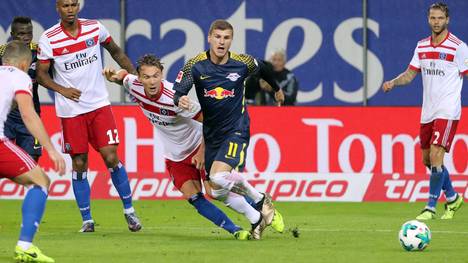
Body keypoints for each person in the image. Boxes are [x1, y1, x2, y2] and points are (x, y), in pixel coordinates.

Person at [103, 54, 252, 240]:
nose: (151, 81)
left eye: (156, 76)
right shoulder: (134, 85)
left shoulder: (175, 97)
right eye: (147, 77)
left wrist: (201, 151)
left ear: (162, 75)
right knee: (194, 198)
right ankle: (236, 230)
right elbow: (124, 77)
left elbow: (211, 122)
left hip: (199, 144)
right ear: (140, 78)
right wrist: (115, 76)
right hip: (175, 155)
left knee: (214, 192)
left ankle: (257, 206)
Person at [173, 19, 285, 239]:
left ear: (231, 40)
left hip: (236, 128)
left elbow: (263, 67)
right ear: (209, 38)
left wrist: (277, 89)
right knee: (215, 191)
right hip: (212, 134)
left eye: (226, 38)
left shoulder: (242, 62)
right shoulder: (195, 65)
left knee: (218, 176)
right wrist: (181, 100)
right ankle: (256, 219)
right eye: (217, 37)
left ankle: (261, 199)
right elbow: (178, 91)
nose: (221, 42)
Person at [36, 0, 141, 232]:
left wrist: (136, 78)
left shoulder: (95, 28)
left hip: (99, 105)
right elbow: (41, 75)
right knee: (80, 162)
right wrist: (62, 90)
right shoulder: (49, 38)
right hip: (71, 111)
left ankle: (129, 211)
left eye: (74, 4)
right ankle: (87, 219)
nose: (70, 9)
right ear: (58, 8)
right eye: (65, 6)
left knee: (111, 157)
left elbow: (116, 52)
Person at [382, 2, 467, 220]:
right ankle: (453, 197)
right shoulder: (421, 46)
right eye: (432, 18)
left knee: (438, 153)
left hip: (448, 109)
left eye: (440, 18)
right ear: (428, 19)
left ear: (447, 20)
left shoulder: (458, 47)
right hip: (428, 111)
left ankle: (430, 207)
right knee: (428, 160)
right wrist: (393, 82)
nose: (436, 22)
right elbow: (410, 74)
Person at [1, 40, 66, 263]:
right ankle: (25, 246)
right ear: (23, 63)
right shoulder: (20, 77)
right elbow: (29, 115)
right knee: (40, 181)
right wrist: (51, 150)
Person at [0, 17, 43, 162]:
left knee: (32, 163)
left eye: (29, 33)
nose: (26, 38)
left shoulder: (40, 53)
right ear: (12, 34)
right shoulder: (2, 53)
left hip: (31, 115)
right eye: (21, 34)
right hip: (6, 117)